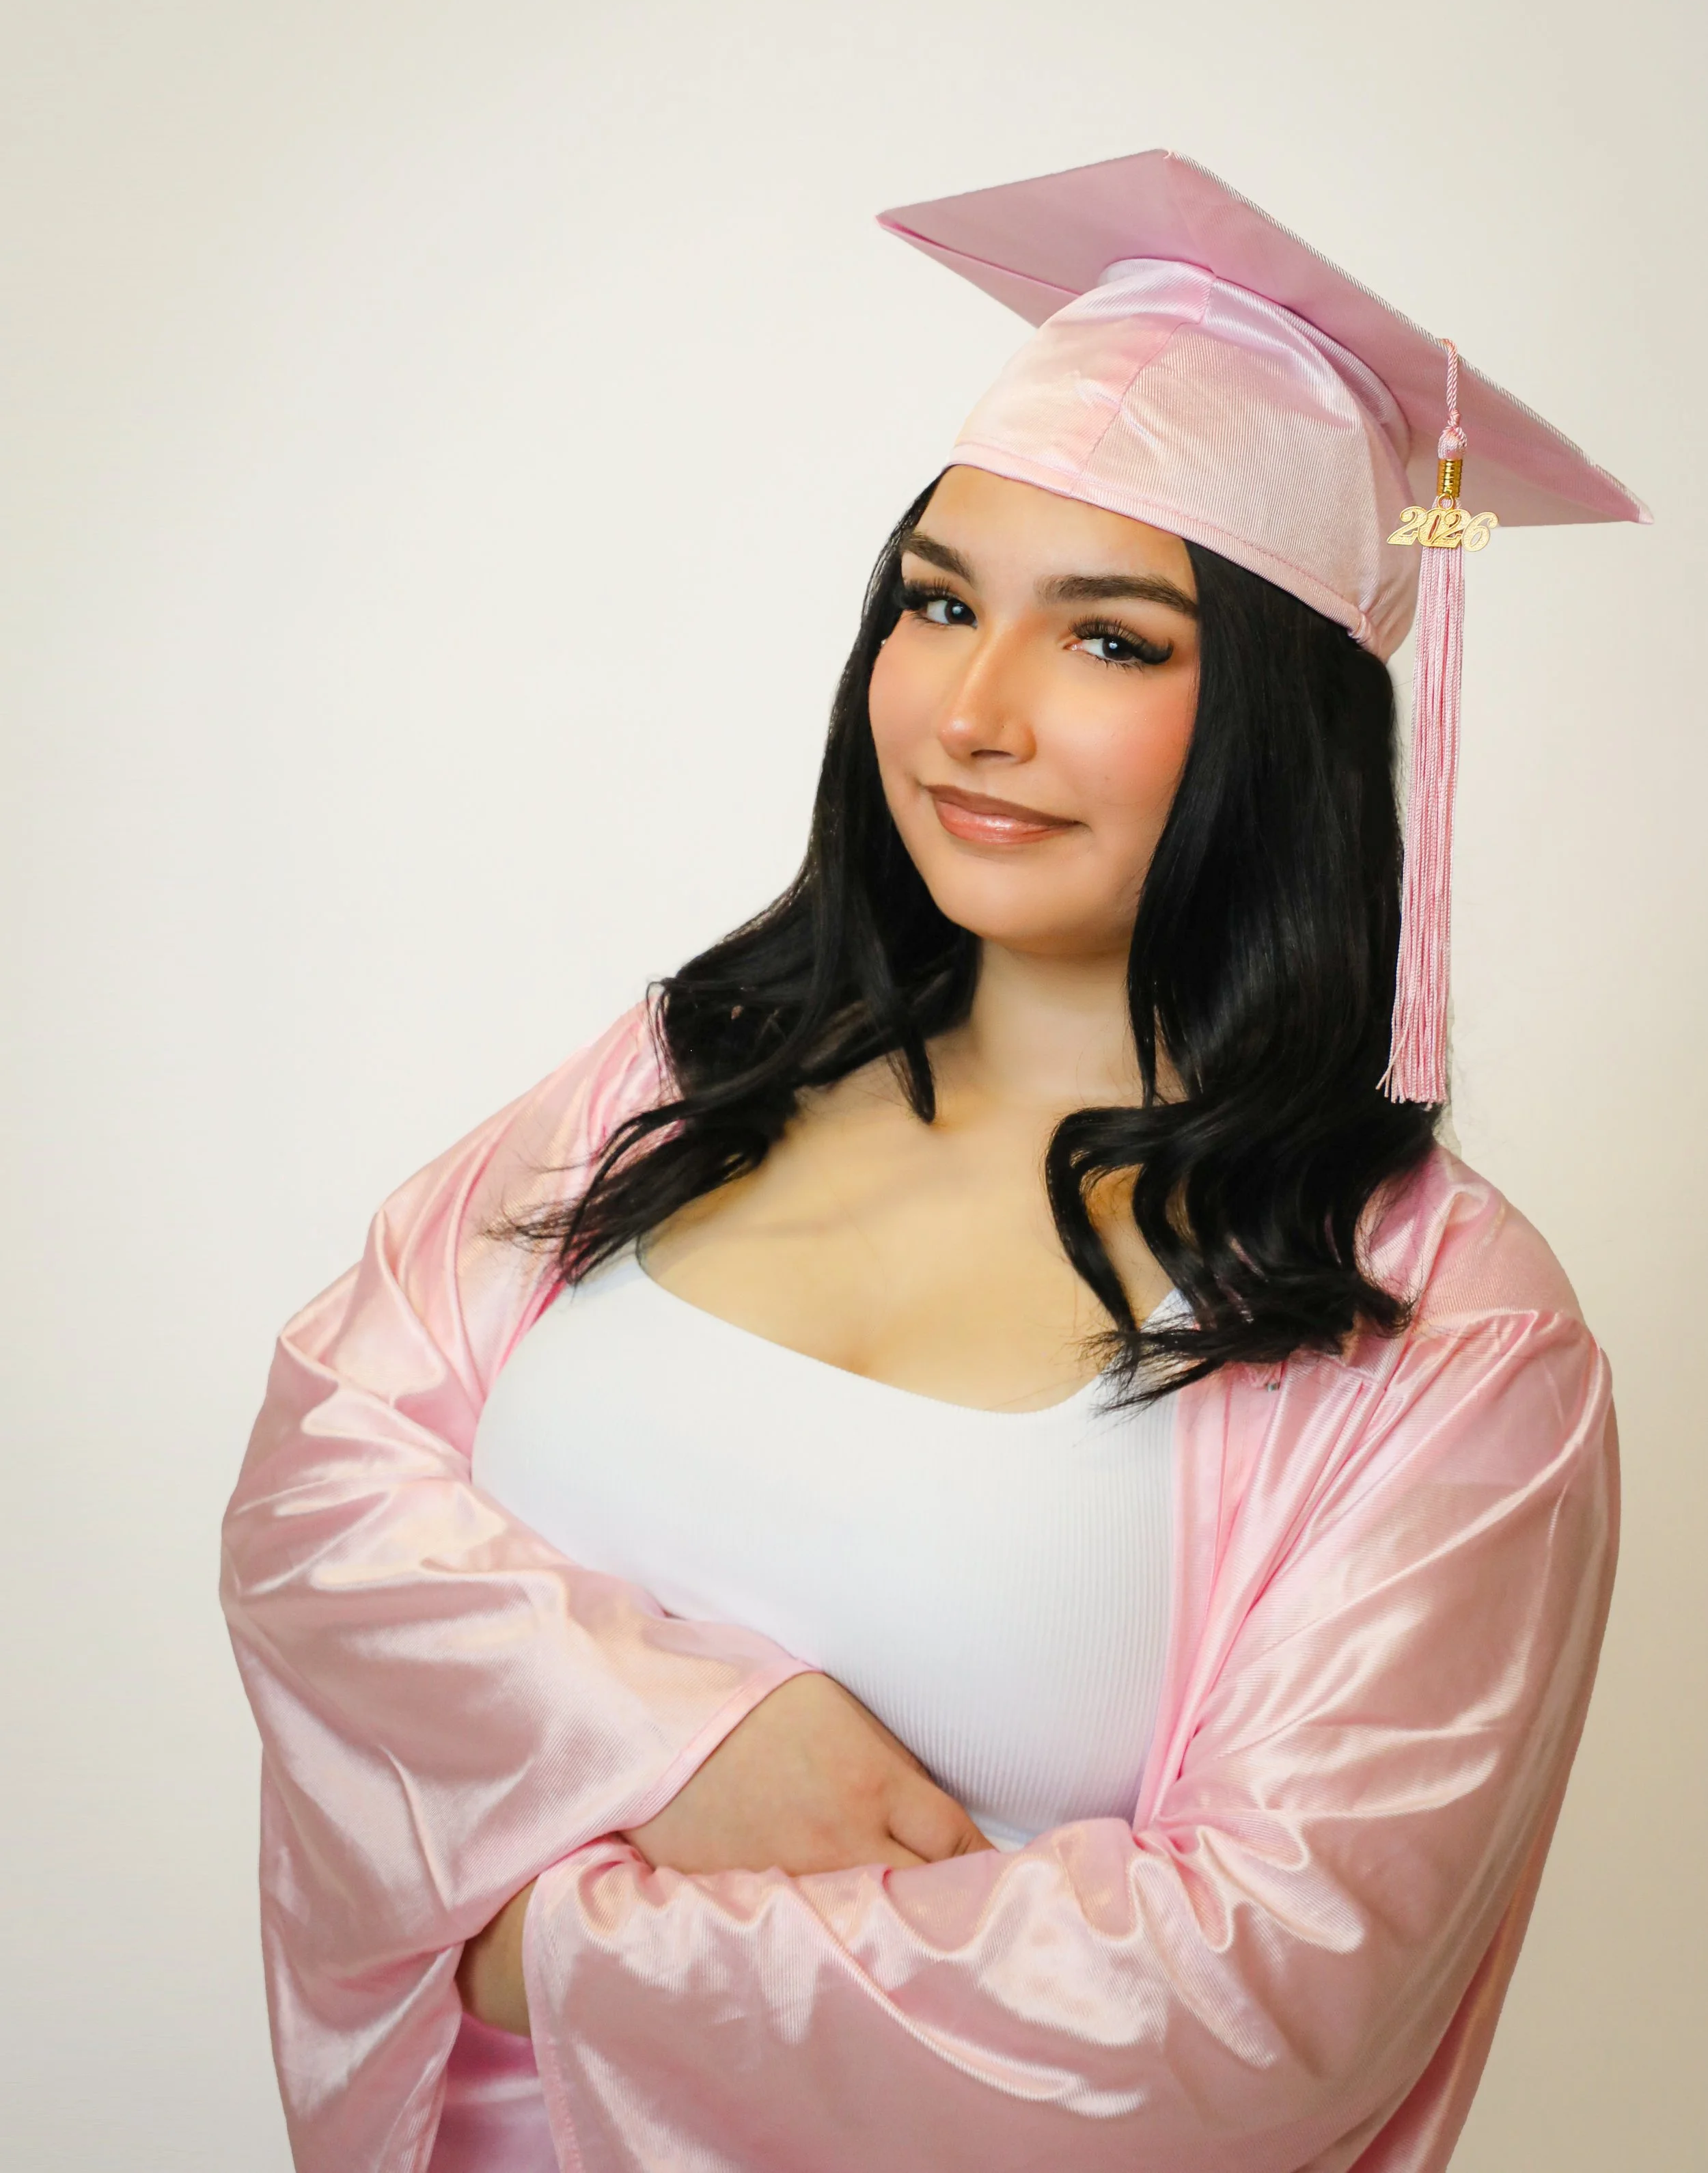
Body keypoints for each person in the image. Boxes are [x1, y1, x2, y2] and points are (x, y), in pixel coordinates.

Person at [221, 150, 1642, 2173]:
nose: (973, 712)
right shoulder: (682, 1073)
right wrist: (685, 1731)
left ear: (1282, 724)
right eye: (939, 602)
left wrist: (558, 1951)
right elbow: (323, 1489)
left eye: (1110, 641)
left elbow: (1256, 1999)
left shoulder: (1439, 1330)